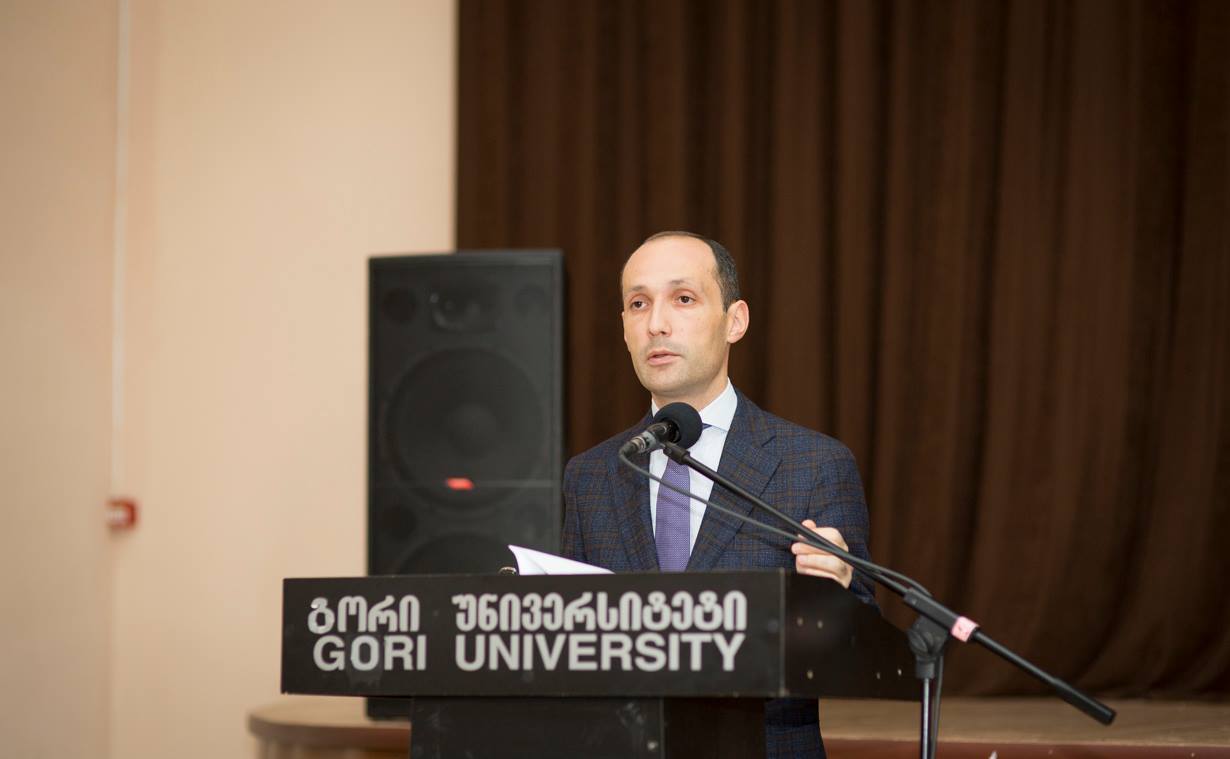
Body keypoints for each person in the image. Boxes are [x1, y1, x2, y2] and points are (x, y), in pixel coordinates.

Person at [561, 231, 876, 758]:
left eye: (683, 298)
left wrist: (836, 599)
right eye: (638, 304)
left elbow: (865, 656)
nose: (656, 323)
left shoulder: (813, 464)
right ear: (624, 328)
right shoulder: (590, 475)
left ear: (735, 321)